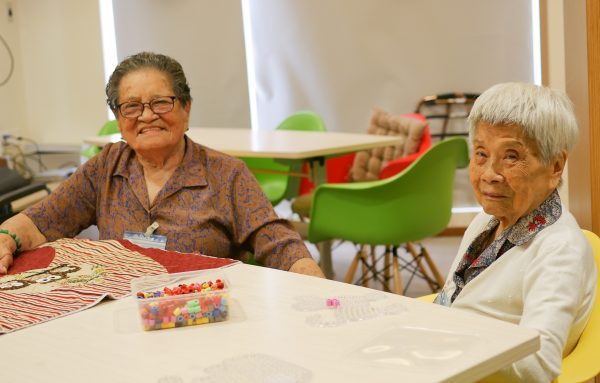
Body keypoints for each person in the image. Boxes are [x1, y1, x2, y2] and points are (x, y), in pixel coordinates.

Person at [0, 52, 324, 278]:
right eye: (131, 106)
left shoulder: (226, 174)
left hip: (203, 313)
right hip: (120, 312)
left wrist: (308, 275)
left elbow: (276, 240)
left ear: (186, 108)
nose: (146, 115)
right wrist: (7, 238)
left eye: (160, 102)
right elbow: (42, 220)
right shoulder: (105, 168)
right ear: (118, 118)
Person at [434, 82, 596, 382]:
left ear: (555, 166)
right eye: (481, 153)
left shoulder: (558, 250)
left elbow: (537, 366)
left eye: (511, 156)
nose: (489, 174)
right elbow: (453, 298)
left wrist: (450, 347)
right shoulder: (487, 221)